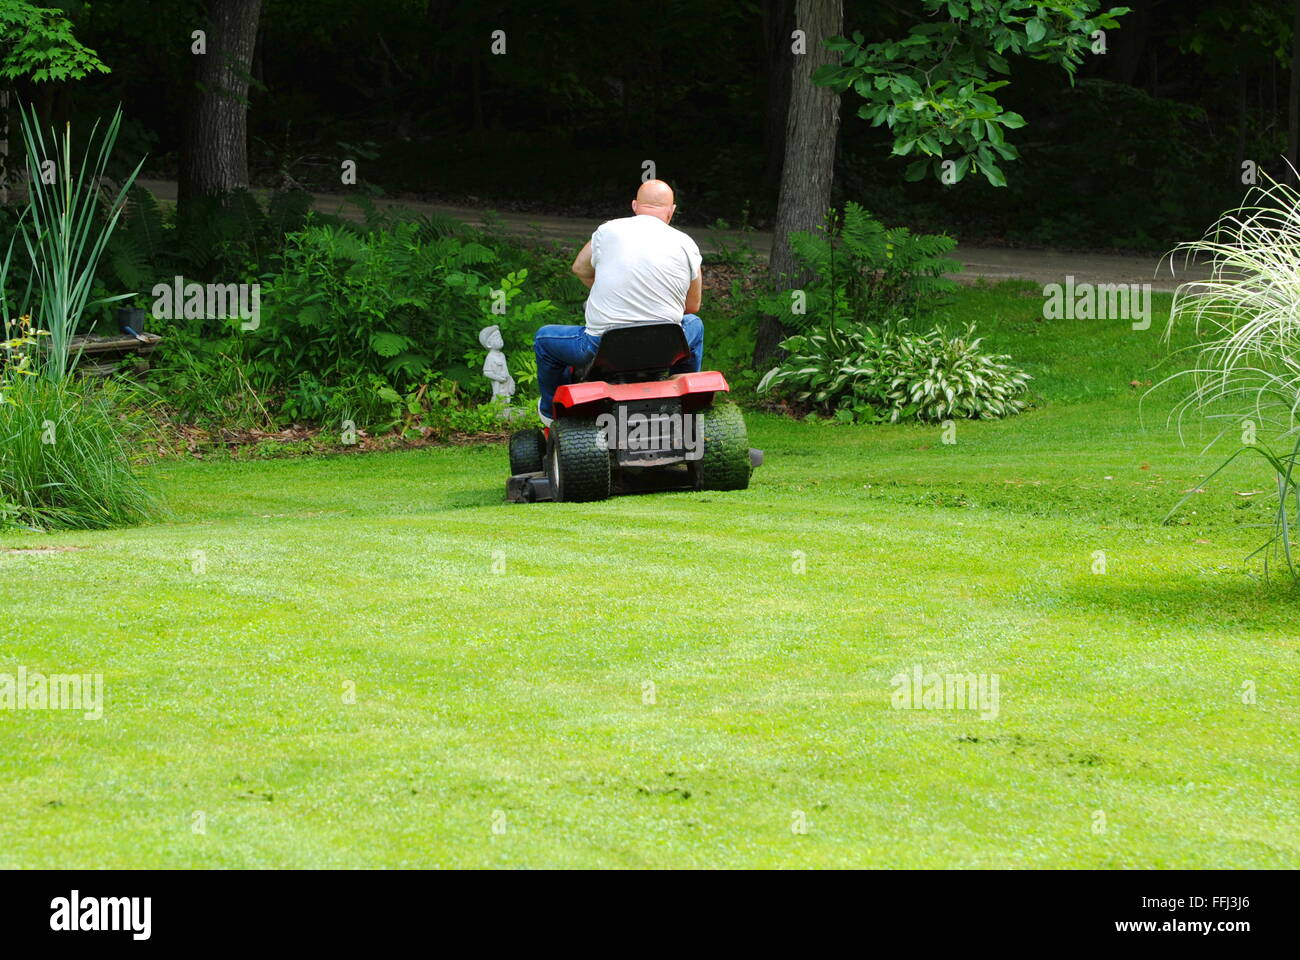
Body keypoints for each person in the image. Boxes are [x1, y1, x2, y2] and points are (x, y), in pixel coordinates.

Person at [533, 180, 703, 424]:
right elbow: (693, 305)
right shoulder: (686, 243)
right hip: (665, 346)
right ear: (671, 210)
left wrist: (607, 292)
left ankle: (550, 414)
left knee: (544, 339)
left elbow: (579, 268)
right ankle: (682, 403)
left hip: (603, 346)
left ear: (635, 205)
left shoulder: (608, 230)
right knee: (694, 323)